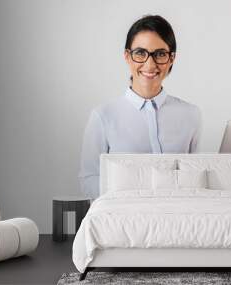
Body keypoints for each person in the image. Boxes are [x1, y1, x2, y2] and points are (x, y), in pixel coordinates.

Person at [79, 15, 202, 199]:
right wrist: (132, 197)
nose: (150, 64)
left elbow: (196, 175)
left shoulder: (191, 115)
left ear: (171, 59)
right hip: (126, 216)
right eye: (140, 53)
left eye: (160, 54)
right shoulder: (103, 116)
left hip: (178, 216)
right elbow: (88, 179)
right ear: (127, 56)